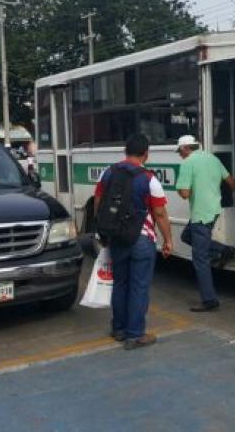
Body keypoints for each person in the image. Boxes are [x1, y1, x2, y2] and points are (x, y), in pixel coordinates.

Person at [94, 134, 172, 350]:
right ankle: (135, 335)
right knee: (139, 287)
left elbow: (99, 202)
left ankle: (118, 329)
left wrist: (103, 231)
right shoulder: (149, 179)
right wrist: (168, 240)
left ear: (125, 151)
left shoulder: (108, 173)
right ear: (146, 154)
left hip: (116, 237)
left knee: (120, 284)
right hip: (141, 239)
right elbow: (160, 213)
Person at [175, 135, 235, 312]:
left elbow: (184, 194)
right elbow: (230, 180)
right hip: (213, 211)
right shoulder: (213, 158)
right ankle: (223, 250)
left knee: (200, 259)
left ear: (185, 149)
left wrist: (180, 188)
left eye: (180, 152)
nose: (180, 155)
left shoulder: (187, 163)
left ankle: (209, 300)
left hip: (200, 215)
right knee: (186, 235)